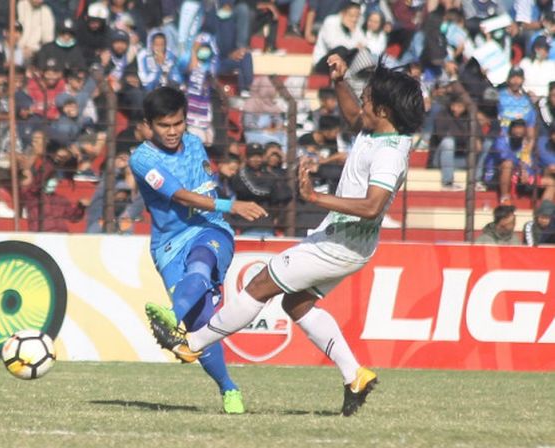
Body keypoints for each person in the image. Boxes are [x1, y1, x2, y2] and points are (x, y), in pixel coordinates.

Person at [147, 54, 425, 416]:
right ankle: (354, 375)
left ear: (384, 109)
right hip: (346, 240)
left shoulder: (390, 154)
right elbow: (354, 116)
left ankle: (193, 344)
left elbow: (373, 206)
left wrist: (314, 197)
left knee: (262, 283)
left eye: (368, 98)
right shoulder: (376, 129)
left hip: (342, 242)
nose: (362, 102)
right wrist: (340, 81)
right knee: (296, 303)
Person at [129, 86, 267, 414]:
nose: (173, 131)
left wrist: (223, 210)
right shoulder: (142, 160)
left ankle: (171, 316)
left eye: (178, 123)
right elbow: (179, 196)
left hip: (210, 229)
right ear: (149, 125)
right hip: (168, 245)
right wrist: (232, 204)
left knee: (201, 265)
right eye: (164, 125)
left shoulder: (193, 144)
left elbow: (203, 186)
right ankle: (228, 388)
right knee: (201, 328)